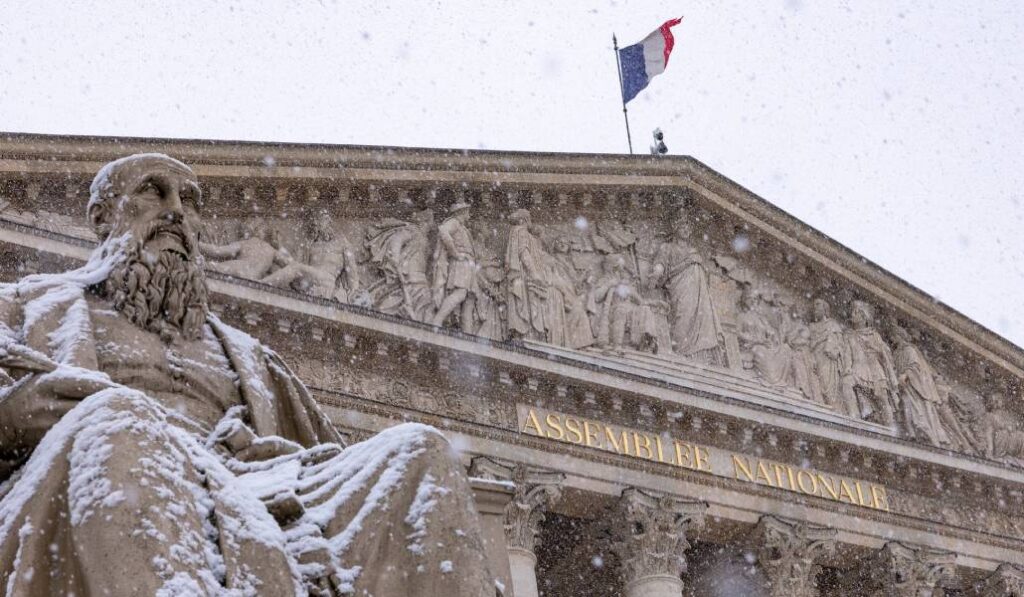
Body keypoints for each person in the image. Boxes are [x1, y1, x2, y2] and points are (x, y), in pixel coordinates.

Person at [0, 154, 495, 596]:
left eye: (190, 201)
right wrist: (15, 413)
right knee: (119, 419)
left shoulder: (247, 355)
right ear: (100, 216)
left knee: (417, 451)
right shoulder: (23, 308)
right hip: (120, 477)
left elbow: (330, 456)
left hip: (255, 485)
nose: (175, 209)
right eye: (154, 191)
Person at [650, 220, 725, 364]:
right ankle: (681, 351)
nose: (686, 229)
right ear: (675, 228)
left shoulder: (694, 251)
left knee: (702, 317)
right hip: (680, 288)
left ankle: (699, 356)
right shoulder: (668, 247)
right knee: (683, 315)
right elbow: (660, 263)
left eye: (688, 227)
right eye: (683, 226)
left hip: (699, 293)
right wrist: (656, 273)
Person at [262, 212, 364, 305]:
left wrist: (354, 292)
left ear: (329, 223)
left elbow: (352, 273)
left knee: (296, 268)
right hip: (310, 283)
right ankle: (265, 285)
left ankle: (262, 285)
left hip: (327, 280)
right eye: (315, 223)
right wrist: (279, 247)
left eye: (321, 221)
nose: (317, 225)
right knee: (294, 268)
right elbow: (293, 265)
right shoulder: (311, 245)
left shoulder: (342, 244)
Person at [364, 209, 435, 322]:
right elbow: (397, 240)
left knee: (423, 306)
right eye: (432, 221)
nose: (433, 225)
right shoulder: (413, 230)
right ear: (425, 221)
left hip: (419, 280)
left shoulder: (424, 238)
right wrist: (395, 258)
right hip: (409, 277)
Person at [891, 325, 953, 447]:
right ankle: (912, 434)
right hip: (904, 387)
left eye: (894, 335)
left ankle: (925, 436)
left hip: (913, 388)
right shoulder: (897, 353)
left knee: (915, 411)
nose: (892, 338)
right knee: (907, 408)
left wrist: (905, 375)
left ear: (899, 336)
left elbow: (914, 366)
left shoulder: (909, 350)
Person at [842, 301, 899, 425]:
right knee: (846, 382)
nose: (852, 314)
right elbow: (847, 353)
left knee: (882, 397)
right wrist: (847, 367)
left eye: (856, 312)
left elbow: (885, 354)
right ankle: (854, 418)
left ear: (863, 316)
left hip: (874, 369)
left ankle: (890, 426)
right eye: (853, 312)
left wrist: (875, 348)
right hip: (857, 368)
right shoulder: (849, 335)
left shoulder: (874, 335)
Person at [431, 201, 479, 332]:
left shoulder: (463, 228)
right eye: (467, 211)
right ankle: (437, 320)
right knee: (461, 293)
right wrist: (455, 253)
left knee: (469, 298)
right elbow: (443, 231)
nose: (469, 215)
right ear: (461, 212)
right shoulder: (454, 222)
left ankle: (468, 335)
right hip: (461, 263)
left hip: (469, 265)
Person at [504, 209, 548, 342]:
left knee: (522, 304)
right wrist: (534, 273)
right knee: (526, 304)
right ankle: (527, 333)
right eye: (529, 219)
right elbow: (523, 253)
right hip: (525, 275)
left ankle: (523, 333)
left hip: (519, 276)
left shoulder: (515, 232)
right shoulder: (521, 232)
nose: (530, 222)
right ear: (524, 220)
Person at [200, 219, 290, 279]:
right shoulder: (273, 251)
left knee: (206, 266)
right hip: (253, 277)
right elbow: (290, 265)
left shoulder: (246, 243)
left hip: (238, 268)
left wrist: (197, 244)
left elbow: (218, 251)